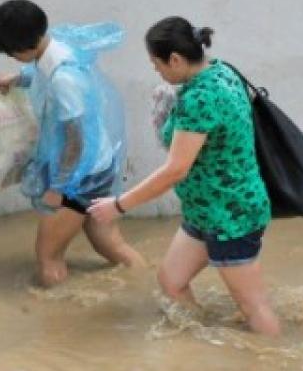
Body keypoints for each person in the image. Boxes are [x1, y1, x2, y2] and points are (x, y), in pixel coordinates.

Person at [89, 17, 280, 335]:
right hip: (207, 210)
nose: (156, 72)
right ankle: (203, 342)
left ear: (175, 59)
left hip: (230, 217)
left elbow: (176, 169)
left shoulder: (198, 99)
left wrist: (119, 205)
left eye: (156, 64)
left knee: (254, 307)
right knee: (171, 282)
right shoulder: (222, 70)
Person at [0, 0, 145, 286]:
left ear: (24, 48)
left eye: (12, 54)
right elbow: (40, 71)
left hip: (80, 176)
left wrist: (59, 188)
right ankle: (147, 287)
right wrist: (19, 78)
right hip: (100, 165)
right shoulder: (58, 43)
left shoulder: (65, 80)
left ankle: (58, 323)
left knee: (48, 255)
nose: (13, 59)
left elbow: (76, 140)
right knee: (109, 245)